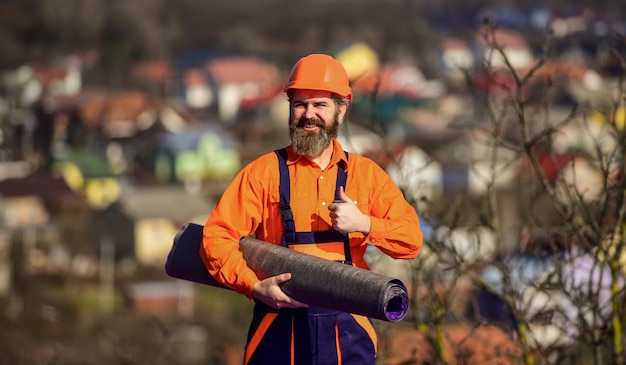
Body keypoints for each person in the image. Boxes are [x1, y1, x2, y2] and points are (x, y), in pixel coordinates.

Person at [200, 53, 423, 365]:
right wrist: (253, 285)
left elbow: (411, 240)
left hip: (349, 326)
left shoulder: (366, 175)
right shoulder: (263, 174)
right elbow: (216, 239)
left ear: (341, 111)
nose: (308, 114)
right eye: (300, 104)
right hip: (277, 323)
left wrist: (365, 223)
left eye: (320, 105)